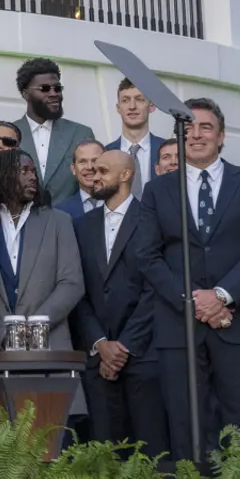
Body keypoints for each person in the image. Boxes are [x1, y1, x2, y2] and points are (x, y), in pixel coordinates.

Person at [139, 97, 240, 460]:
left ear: (221, 137)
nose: (196, 134)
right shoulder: (157, 191)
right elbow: (148, 256)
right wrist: (194, 301)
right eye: (187, 128)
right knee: (188, 430)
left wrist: (221, 295)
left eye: (205, 127)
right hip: (178, 328)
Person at [71, 150, 167, 456]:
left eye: (102, 170)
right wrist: (100, 343)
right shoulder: (80, 225)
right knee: (101, 455)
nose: (94, 176)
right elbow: (78, 289)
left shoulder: (154, 221)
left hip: (143, 357)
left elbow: (157, 288)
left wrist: (123, 346)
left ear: (126, 175)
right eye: (93, 170)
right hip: (97, 361)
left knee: (150, 455)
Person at [0, 149, 84, 359]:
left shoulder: (59, 221)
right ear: (2, 175)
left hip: (50, 347)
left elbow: (72, 283)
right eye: (24, 171)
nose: (33, 176)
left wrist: (36, 326)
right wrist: (1, 334)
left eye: (34, 171)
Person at [12, 58, 95, 206]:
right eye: (44, 89)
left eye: (57, 88)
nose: (53, 93)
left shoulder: (81, 133)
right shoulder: (9, 134)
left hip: (71, 224)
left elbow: (92, 184)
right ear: (25, 94)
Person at [105, 78, 166, 198]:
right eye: (125, 100)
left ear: (151, 106)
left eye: (139, 99)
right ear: (118, 108)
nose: (132, 106)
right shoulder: (105, 153)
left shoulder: (169, 150)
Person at [56, 140, 105, 220]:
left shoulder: (121, 204)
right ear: (73, 169)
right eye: (83, 162)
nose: (89, 167)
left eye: (95, 160)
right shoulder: (60, 212)